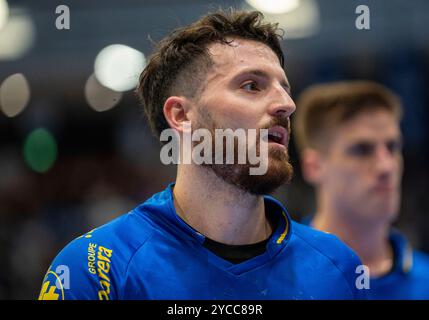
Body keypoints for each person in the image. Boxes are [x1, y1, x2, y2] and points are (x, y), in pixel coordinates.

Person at [39, 9, 364, 300]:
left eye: (285, 88)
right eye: (252, 86)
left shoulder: (338, 268)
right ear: (181, 116)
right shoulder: (97, 271)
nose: (287, 104)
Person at [293, 80, 429, 299]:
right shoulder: (279, 278)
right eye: (362, 150)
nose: (386, 166)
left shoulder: (426, 281)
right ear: (313, 166)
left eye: (392, 147)